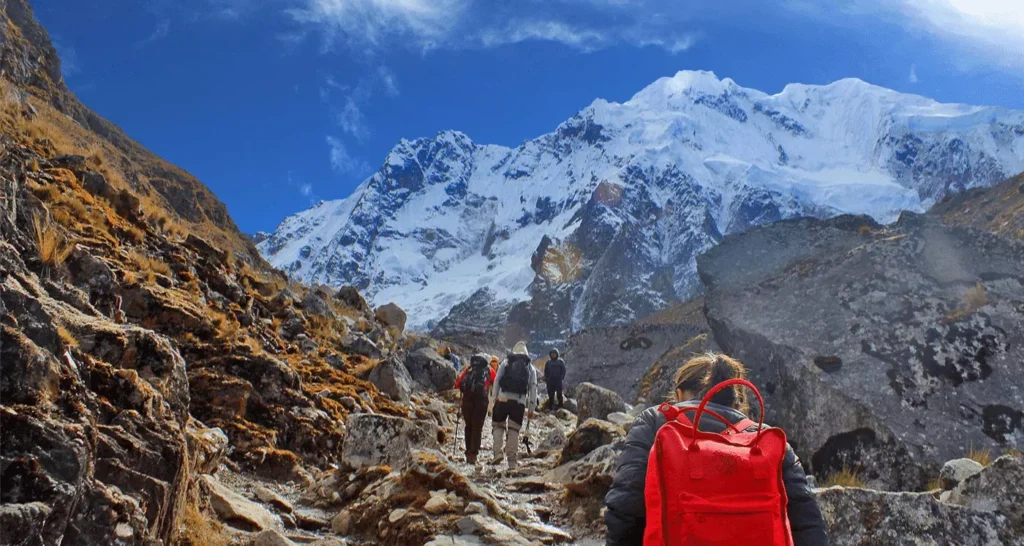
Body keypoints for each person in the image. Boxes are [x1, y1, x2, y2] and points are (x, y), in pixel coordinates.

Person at [604, 353, 829, 546]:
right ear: (737, 401)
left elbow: (625, 507)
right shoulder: (766, 439)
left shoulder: (656, 422)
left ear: (680, 393)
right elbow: (808, 522)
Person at [489, 341, 538, 469]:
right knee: (513, 430)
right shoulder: (530, 367)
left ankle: (497, 453)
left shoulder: (506, 362)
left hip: (503, 398)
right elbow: (533, 388)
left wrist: (494, 399)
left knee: (498, 426)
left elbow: (497, 381)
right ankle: (512, 462)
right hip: (519, 402)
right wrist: (531, 408)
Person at [455, 353, 496, 464]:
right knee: (477, 427)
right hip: (481, 402)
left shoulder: (469, 369)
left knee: (469, 426)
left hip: (467, 401)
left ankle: (468, 452)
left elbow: (458, 384)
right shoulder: (489, 370)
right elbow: (496, 382)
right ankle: (473, 454)